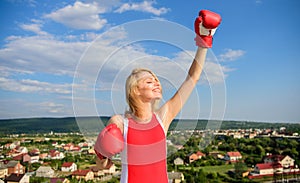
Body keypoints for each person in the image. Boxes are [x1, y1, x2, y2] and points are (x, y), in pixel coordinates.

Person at [94, 9, 222, 183]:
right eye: (149, 81)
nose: (156, 83)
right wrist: (101, 153)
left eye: (156, 80)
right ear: (135, 90)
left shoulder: (164, 117)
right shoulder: (119, 123)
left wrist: (204, 41)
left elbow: (193, 78)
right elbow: (102, 167)